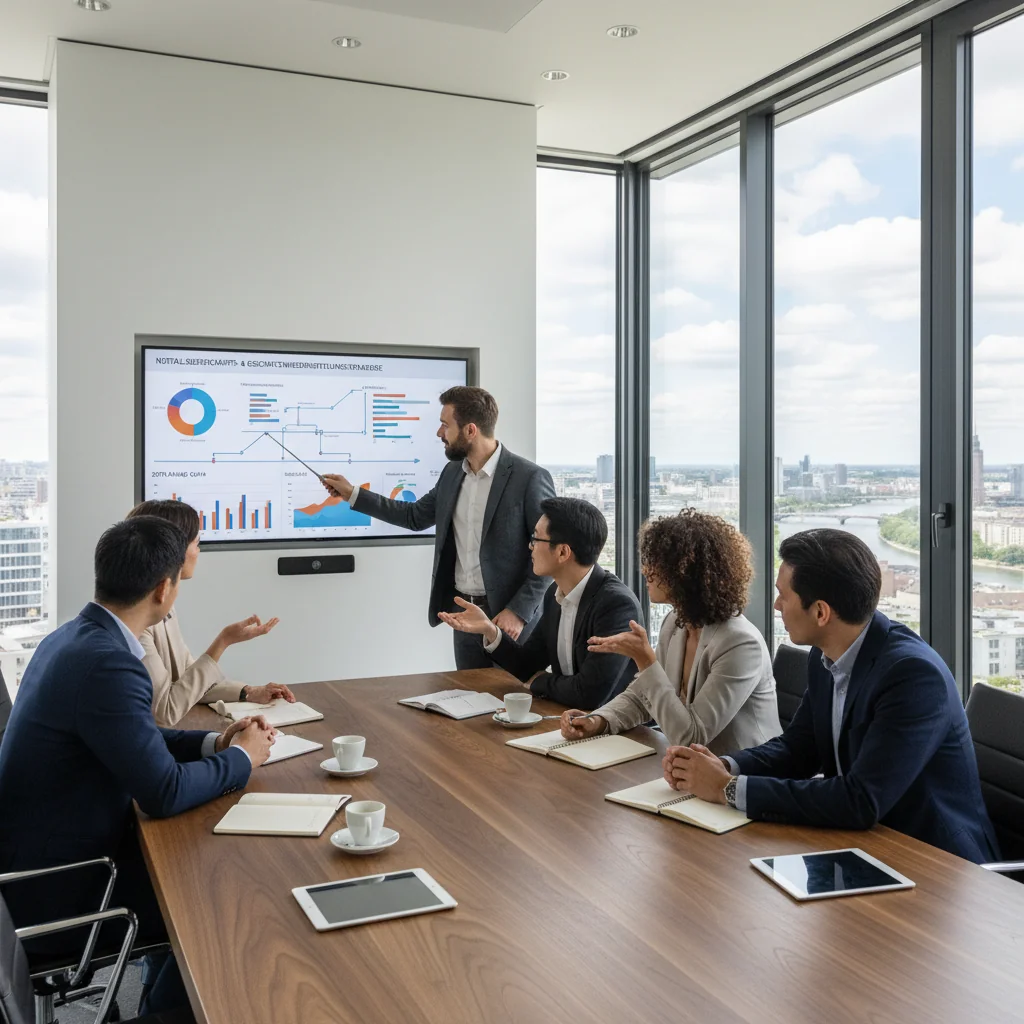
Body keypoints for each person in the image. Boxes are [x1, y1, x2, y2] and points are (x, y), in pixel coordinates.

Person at [0, 516, 274, 1014]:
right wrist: (244, 758)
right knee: (217, 896)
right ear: (165, 589)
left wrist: (215, 742)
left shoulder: (72, 638)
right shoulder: (109, 662)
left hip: (34, 867)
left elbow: (137, 737)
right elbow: (163, 793)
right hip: (61, 892)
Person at [662, 528, 999, 864]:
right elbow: (799, 749)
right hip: (861, 845)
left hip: (936, 864)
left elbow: (860, 800)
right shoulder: (827, 654)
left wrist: (728, 789)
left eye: (784, 596)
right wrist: (722, 766)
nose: (776, 605)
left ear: (821, 612)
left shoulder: (912, 676)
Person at [322, 386, 555, 669]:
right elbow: (414, 516)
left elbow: (550, 550)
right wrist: (352, 493)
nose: (439, 433)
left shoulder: (529, 478)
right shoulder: (452, 473)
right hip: (463, 612)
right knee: (469, 703)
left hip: (508, 618)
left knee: (512, 705)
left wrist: (518, 611)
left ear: (470, 430)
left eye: (445, 425)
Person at [559, 509, 780, 752]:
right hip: (688, 770)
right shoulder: (676, 622)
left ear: (686, 572)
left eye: (656, 564)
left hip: (740, 777)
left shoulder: (739, 643)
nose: (645, 571)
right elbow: (643, 697)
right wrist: (597, 721)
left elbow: (692, 737)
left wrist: (645, 661)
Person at [438, 497, 641, 709]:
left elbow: (589, 694)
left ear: (563, 552)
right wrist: (490, 630)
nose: (530, 547)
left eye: (536, 539)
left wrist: (539, 681)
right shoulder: (555, 593)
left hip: (618, 732)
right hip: (569, 719)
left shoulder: (616, 605)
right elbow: (528, 665)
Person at [126, 499, 293, 727]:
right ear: (172, 549)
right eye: (196, 543)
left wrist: (250, 692)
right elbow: (166, 711)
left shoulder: (162, 608)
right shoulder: (136, 624)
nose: (198, 551)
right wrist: (222, 642)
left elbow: (189, 679)